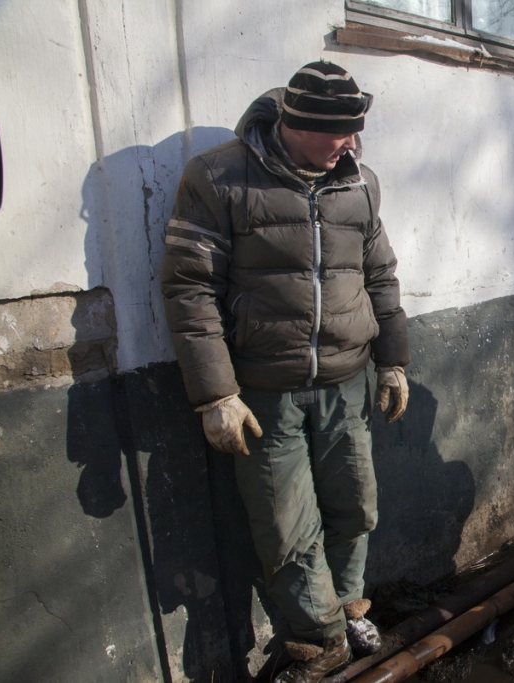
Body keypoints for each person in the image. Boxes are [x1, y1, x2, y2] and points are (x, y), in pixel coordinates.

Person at [160, 61, 410, 682]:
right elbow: (190, 288)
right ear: (298, 125)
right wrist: (216, 393)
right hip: (265, 393)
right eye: (340, 133)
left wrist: (393, 361)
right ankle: (316, 640)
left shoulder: (360, 183)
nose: (351, 144)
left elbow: (379, 274)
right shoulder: (218, 178)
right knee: (286, 528)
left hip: (346, 384)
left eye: (356, 132)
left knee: (355, 507)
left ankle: (349, 609)